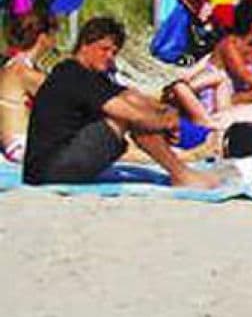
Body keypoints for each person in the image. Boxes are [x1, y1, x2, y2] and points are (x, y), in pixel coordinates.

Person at [21, 17, 219, 188]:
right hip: (48, 171)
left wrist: (168, 112)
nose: (109, 57)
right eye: (104, 49)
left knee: (134, 110)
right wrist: (166, 123)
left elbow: (132, 96)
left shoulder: (92, 77)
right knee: (129, 118)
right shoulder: (72, 74)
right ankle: (181, 174)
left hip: (54, 165)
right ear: (84, 45)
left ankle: (181, 170)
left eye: (114, 52)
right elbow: (130, 114)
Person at [1, 11, 58, 163]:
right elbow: (66, 96)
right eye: (53, 35)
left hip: (18, 143)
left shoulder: (15, 64)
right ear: (42, 38)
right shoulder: (22, 72)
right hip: (21, 146)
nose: (55, 41)